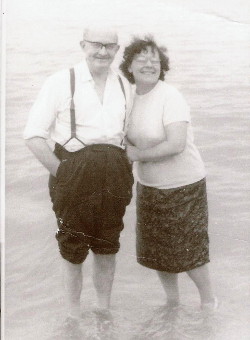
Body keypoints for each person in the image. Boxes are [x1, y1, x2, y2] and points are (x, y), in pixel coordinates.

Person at [23, 26, 134, 321]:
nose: (103, 51)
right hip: (73, 171)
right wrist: (64, 173)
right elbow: (34, 135)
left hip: (114, 174)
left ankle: (103, 312)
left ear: (116, 49)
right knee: (72, 248)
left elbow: (129, 136)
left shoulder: (123, 84)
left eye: (110, 46)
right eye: (97, 45)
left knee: (108, 245)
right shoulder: (61, 81)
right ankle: (73, 317)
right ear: (83, 45)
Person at [120, 36, 217, 312]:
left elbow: (175, 144)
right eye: (142, 59)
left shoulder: (170, 96)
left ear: (162, 66)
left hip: (183, 184)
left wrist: (137, 155)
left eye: (155, 60)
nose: (149, 64)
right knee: (158, 251)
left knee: (189, 251)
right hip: (149, 185)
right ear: (129, 66)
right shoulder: (126, 98)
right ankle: (172, 302)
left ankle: (208, 301)